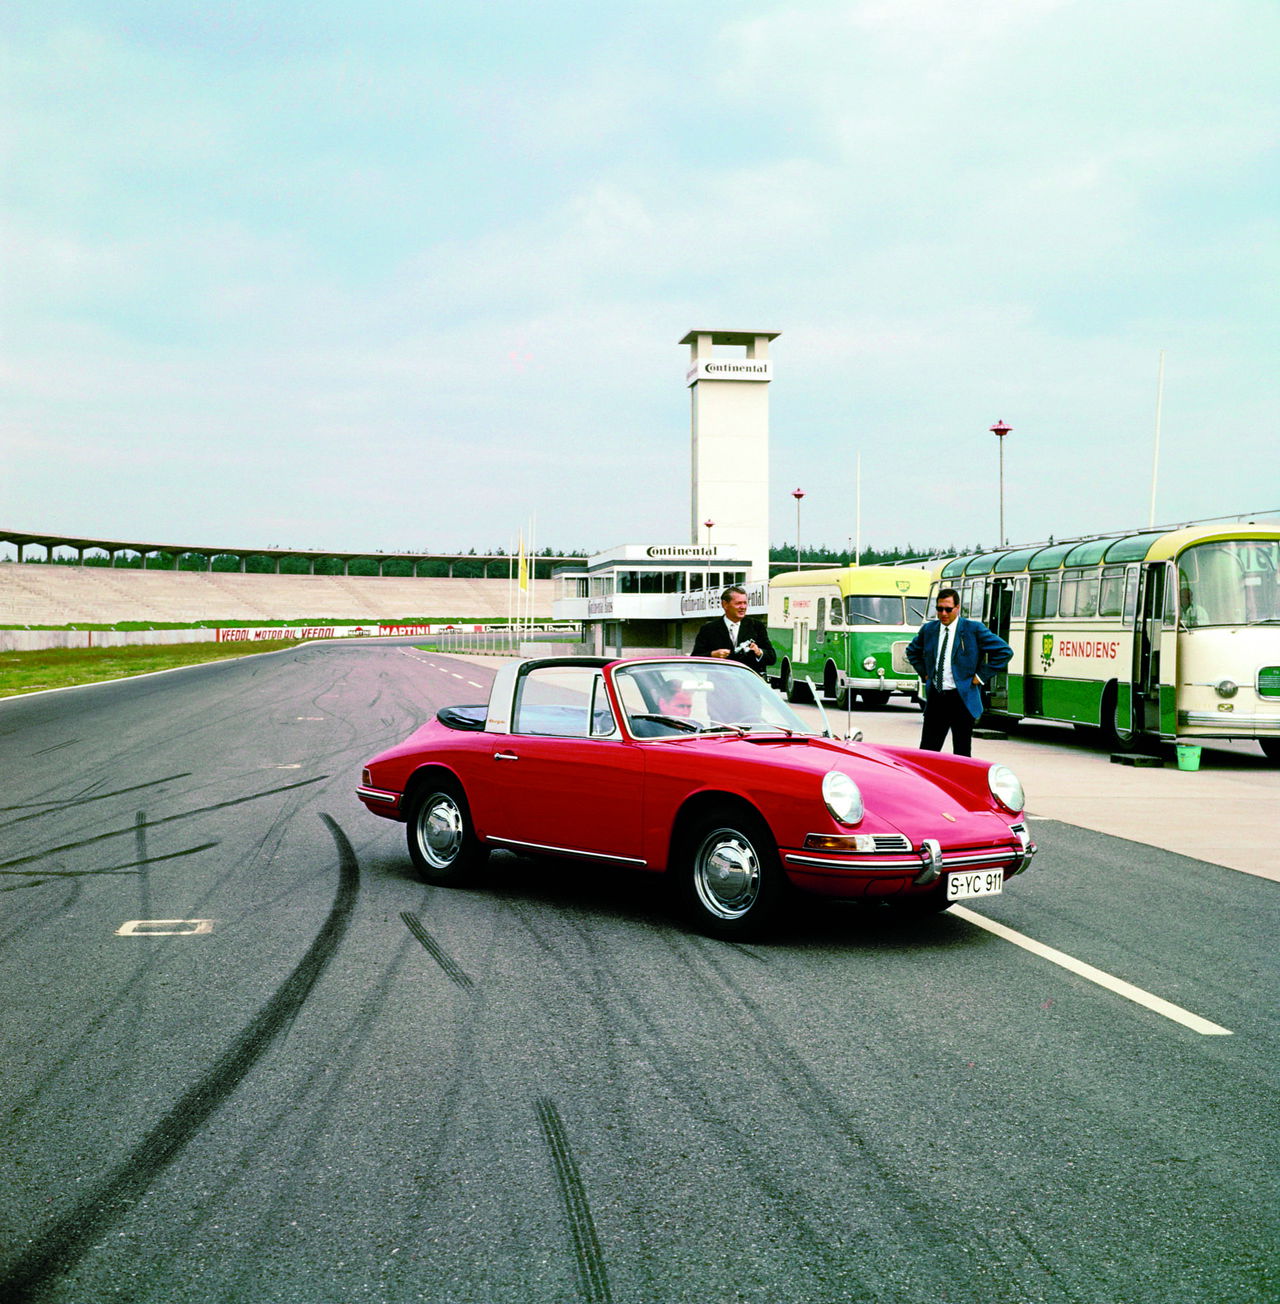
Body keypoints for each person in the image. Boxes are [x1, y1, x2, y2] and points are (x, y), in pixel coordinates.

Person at [906, 588, 1012, 756]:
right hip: (937, 697)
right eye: (939, 609)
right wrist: (925, 674)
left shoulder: (973, 629)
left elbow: (1004, 652)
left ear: (957, 608)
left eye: (948, 609)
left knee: (962, 751)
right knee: (927, 751)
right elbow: (912, 651)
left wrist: (980, 677)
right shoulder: (929, 630)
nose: (943, 613)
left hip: (962, 699)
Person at [692, 585, 776, 677]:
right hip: (720, 685)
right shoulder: (708, 629)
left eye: (745, 603)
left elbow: (772, 658)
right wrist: (712, 655)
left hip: (749, 684)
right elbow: (695, 658)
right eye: (738, 603)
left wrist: (758, 652)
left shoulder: (756, 626)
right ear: (725, 604)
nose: (743, 607)